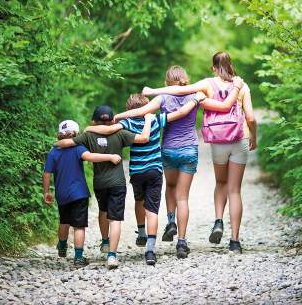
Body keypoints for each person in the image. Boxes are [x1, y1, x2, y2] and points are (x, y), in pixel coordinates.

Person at [85, 92, 234, 261]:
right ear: (147, 106)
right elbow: (180, 113)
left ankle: (141, 232)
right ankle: (150, 250)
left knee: (139, 201)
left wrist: (90, 128)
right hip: (154, 170)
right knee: (152, 209)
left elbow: (109, 129)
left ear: (129, 109)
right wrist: (194, 99)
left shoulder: (127, 123)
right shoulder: (155, 119)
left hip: (137, 171)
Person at [114, 67, 243, 258]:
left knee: (170, 187)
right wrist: (236, 89)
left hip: (168, 149)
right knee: (183, 197)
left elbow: (141, 111)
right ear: (186, 79)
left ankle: (171, 221)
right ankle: (181, 243)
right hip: (189, 149)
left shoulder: (163, 98)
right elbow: (222, 106)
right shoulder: (197, 95)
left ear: (167, 82)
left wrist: (118, 116)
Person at [143, 52, 257, 254]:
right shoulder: (243, 86)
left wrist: (152, 90)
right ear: (231, 65)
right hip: (239, 139)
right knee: (235, 190)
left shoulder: (207, 84)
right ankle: (235, 241)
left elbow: (180, 91)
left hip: (218, 141)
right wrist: (253, 137)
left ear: (214, 68)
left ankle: (219, 221)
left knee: (220, 183)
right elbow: (251, 118)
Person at [55, 106, 152, 269]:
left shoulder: (88, 135)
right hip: (117, 183)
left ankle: (105, 241)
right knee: (115, 219)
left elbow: (65, 143)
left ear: (94, 121)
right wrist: (148, 120)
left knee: (103, 211)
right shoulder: (121, 133)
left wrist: (56, 142)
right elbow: (144, 139)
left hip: (100, 183)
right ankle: (112, 256)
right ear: (112, 120)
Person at [43, 119, 122, 268]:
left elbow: (47, 173)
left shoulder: (54, 151)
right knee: (79, 226)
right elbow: (91, 157)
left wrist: (46, 192)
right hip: (79, 194)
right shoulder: (78, 148)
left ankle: (62, 245)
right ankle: (78, 257)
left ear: (60, 134)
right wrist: (110, 157)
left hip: (62, 194)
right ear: (76, 133)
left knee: (64, 221)